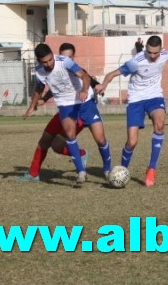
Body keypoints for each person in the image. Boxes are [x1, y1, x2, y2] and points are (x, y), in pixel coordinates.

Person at [23, 43, 112, 185]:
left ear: (53, 55)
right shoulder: (40, 71)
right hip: (66, 105)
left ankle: (108, 170)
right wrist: (33, 104)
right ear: (39, 61)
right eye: (44, 62)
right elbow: (39, 89)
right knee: (70, 135)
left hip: (86, 102)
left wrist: (84, 90)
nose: (48, 64)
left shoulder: (65, 62)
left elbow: (85, 76)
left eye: (50, 60)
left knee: (100, 139)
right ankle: (81, 171)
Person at [97, 35, 168, 187]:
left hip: (155, 96)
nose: (152, 56)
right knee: (132, 142)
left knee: (160, 125)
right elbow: (111, 74)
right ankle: (123, 169)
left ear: (161, 50)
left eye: (155, 53)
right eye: (149, 52)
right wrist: (103, 85)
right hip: (136, 100)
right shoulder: (135, 62)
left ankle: (151, 169)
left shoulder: (165, 55)